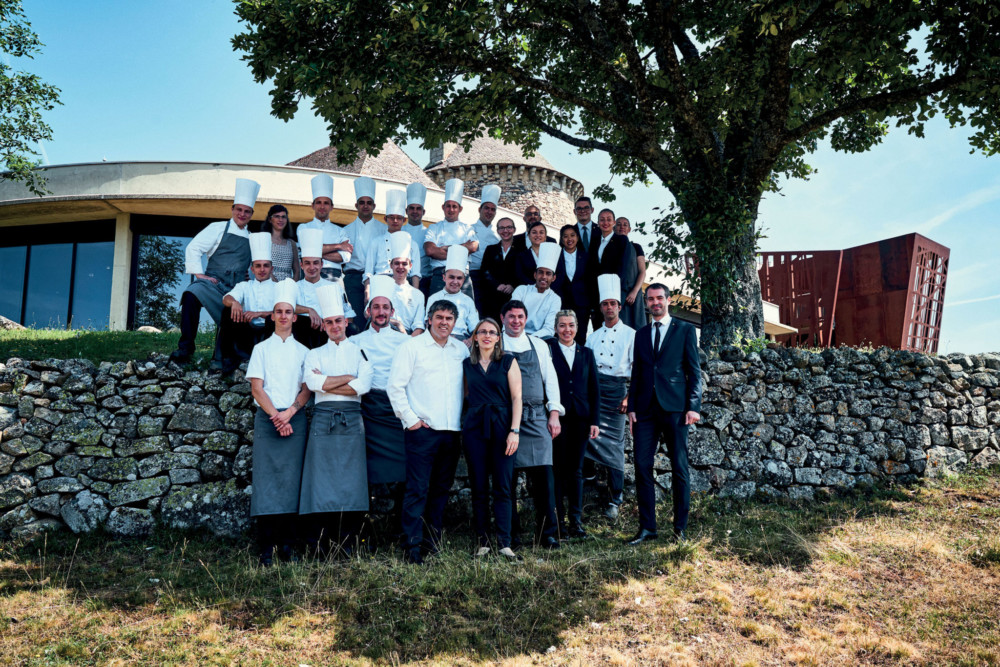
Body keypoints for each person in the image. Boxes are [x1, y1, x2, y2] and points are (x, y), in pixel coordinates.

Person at [387, 300, 471, 565]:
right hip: (423, 431)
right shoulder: (412, 347)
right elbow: (395, 387)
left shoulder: (460, 350)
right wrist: (411, 420)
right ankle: (411, 547)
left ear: (455, 322)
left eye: (449, 318)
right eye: (439, 317)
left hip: (451, 431)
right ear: (429, 319)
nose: (444, 322)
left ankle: (432, 543)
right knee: (417, 489)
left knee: (441, 489)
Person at [300, 282, 373, 555]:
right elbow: (312, 382)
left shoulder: (359, 350)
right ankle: (321, 543)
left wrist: (327, 382)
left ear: (346, 321)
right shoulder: (314, 353)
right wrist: (346, 379)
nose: (334, 326)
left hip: (352, 417)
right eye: (329, 322)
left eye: (338, 320)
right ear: (324, 325)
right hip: (323, 418)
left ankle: (348, 542)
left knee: (351, 479)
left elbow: (364, 386)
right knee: (321, 478)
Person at [627, 284, 702, 545]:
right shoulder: (641, 334)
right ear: (646, 302)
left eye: (660, 298)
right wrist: (633, 407)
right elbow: (637, 373)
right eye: (651, 299)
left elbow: (694, 371)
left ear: (668, 300)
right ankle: (648, 528)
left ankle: (680, 529)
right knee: (642, 465)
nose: (655, 302)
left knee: (679, 467)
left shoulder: (685, 329)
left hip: (675, 409)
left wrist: (693, 405)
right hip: (645, 410)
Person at [246, 278, 311, 565]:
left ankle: (287, 545)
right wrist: (276, 416)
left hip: (294, 421)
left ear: (295, 317)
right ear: (272, 316)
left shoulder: (304, 352)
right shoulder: (261, 349)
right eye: (279, 311)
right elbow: (257, 388)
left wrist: (290, 413)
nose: (283, 316)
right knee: (266, 480)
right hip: (268, 420)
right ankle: (266, 546)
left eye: (288, 311)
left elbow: (307, 388)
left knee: (291, 480)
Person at [170, 178, 259, 365]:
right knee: (191, 294)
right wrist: (199, 274)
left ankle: (224, 356)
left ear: (251, 214)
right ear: (232, 209)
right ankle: (185, 348)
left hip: (235, 290)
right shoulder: (217, 228)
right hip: (214, 283)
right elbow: (193, 248)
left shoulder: (252, 239)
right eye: (239, 209)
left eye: (247, 211)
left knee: (236, 319)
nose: (242, 214)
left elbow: (254, 266)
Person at [353, 275, 411, 544]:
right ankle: (363, 529)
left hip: (394, 411)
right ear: (368, 311)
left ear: (392, 312)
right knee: (363, 471)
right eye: (376, 307)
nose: (380, 312)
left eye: (385, 307)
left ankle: (401, 526)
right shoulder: (356, 341)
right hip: (366, 410)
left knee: (404, 471)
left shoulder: (404, 342)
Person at [501, 300, 563, 549]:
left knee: (544, 479)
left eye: (520, 317)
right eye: (511, 316)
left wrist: (554, 412)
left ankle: (546, 533)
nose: (516, 321)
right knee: (508, 480)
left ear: (526, 319)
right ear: (502, 318)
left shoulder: (538, 345)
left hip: (537, 416)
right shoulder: (497, 344)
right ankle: (511, 535)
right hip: (507, 419)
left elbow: (551, 380)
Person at [462, 317, 523, 560]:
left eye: (492, 332)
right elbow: (467, 395)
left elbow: (517, 397)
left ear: (499, 338)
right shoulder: (467, 364)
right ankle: (483, 542)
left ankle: (504, 542)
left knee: (503, 485)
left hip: (502, 426)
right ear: (475, 337)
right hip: (475, 427)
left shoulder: (508, 361)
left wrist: (514, 430)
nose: (487, 335)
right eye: (482, 332)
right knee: (478, 486)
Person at [585, 275, 636, 520]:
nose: (608, 308)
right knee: (586, 437)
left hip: (617, 392)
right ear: (601, 308)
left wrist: (629, 396)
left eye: (612, 303)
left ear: (619, 306)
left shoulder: (631, 334)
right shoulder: (592, 337)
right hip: (595, 390)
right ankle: (590, 486)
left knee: (615, 446)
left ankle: (615, 499)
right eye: (604, 304)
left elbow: (638, 369)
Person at [547, 310, 600, 539]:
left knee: (576, 471)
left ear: (578, 327)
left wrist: (594, 421)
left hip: (580, 418)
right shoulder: (548, 350)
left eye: (570, 325)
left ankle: (576, 522)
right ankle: (558, 524)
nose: (566, 330)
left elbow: (594, 389)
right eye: (561, 325)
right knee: (557, 470)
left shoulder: (586, 353)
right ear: (556, 328)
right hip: (557, 419)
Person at [213, 232, 276, 375]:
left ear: (271, 269)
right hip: (246, 331)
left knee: (275, 318)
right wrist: (235, 302)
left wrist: (260, 313)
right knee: (227, 311)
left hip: (271, 332)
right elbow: (226, 298)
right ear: (252, 269)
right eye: (258, 266)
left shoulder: (279, 287)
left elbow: (286, 311)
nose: (262, 269)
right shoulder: (244, 286)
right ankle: (229, 359)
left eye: (266, 266)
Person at [293, 228, 357, 349]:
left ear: (321, 265)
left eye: (316, 263)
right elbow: (286, 307)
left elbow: (348, 314)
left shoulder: (334, 287)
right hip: (302, 336)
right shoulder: (295, 287)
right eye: (307, 263)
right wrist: (309, 310)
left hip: (329, 334)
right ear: (301, 265)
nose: (312, 267)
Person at [423, 178, 478, 299]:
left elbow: (473, 246)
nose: (451, 210)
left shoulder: (467, 229)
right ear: (443, 207)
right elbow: (430, 250)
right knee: (436, 309)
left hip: (463, 276)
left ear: (460, 209)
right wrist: (461, 249)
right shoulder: (434, 228)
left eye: (454, 206)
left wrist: (445, 248)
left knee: (465, 311)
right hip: (439, 274)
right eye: (448, 206)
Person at [586, 208, 637, 330]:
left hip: (614, 291)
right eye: (602, 220)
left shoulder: (621, 240)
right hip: (597, 291)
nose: (605, 222)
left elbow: (623, 268)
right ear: (597, 223)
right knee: (598, 326)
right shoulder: (594, 241)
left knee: (614, 326)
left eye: (609, 220)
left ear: (614, 222)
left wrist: (616, 294)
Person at [297, 174, 353, 281]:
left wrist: (314, 253)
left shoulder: (341, 231)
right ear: (312, 205)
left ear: (331, 207)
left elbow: (346, 257)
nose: (322, 207)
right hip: (310, 275)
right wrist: (339, 246)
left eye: (326, 203)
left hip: (334, 276)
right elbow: (306, 250)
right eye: (319, 203)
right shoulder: (303, 227)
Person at [365, 189, 421, 292]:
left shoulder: (412, 244)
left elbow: (415, 273)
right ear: (385, 219)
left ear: (404, 220)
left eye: (399, 218)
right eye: (391, 217)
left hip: (403, 284)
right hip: (379, 283)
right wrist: (367, 292)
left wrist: (415, 293)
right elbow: (368, 271)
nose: (395, 221)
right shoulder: (376, 242)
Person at [342, 176, 379, 331]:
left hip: (377, 280)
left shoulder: (383, 229)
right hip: (352, 279)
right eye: (362, 203)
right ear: (356, 205)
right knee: (356, 323)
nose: (365, 206)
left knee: (377, 322)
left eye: (368, 203)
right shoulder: (345, 230)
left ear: (374, 206)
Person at [426, 245, 479, 340]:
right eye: (451, 277)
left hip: (462, 339)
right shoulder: (434, 298)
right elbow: (428, 325)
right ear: (444, 278)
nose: (455, 282)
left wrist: (470, 341)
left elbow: (475, 327)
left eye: (459, 278)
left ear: (463, 280)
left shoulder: (468, 300)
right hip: (438, 338)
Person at [511, 242, 561, 339]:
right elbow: (511, 316)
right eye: (540, 272)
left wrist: (530, 339)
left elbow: (549, 328)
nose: (543, 277)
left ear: (553, 278)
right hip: (515, 334)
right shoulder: (521, 290)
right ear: (535, 275)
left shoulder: (555, 299)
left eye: (548, 274)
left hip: (540, 339)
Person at [468, 184, 501, 316]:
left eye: (492, 209)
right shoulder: (469, 230)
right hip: (473, 276)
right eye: (486, 208)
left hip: (491, 279)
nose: (489, 212)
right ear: (479, 209)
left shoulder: (497, 236)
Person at [480, 217, 522, 322]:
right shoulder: (490, 249)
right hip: (493, 297)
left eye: (509, 227)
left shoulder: (522, 250)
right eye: (502, 228)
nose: (505, 231)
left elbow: (523, 272)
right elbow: (484, 271)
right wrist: (497, 285)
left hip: (513, 297)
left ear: (514, 230)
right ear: (498, 231)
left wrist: (513, 285)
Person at [554, 224, 590, 345]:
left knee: (580, 336)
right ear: (561, 239)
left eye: (572, 235)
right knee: (560, 336)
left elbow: (591, 282)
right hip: (560, 302)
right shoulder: (555, 256)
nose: (569, 239)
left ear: (578, 237)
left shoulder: (586, 257)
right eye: (565, 236)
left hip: (581, 304)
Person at [386, 231, 426, 335]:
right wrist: (396, 323)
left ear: (410, 266)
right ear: (391, 265)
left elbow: (419, 326)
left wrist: (407, 342)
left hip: (408, 337)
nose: (400, 267)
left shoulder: (418, 295)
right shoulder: (382, 288)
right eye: (397, 263)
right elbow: (370, 315)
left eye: (404, 264)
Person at [615, 216, 648, 330]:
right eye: (618, 224)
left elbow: (642, 271)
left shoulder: (636, 247)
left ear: (629, 229)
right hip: (616, 292)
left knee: (636, 327)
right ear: (614, 227)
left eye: (625, 224)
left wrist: (634, 292)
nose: (622, 227)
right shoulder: (610, 246)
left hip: (633, 293)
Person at [403, 182, 431, 297]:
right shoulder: (399, 231)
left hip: (425, 281)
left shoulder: (429, 233)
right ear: (406, 211)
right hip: (402, 281)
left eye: (418, 209)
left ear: (423, 212)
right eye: (412, 208)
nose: (415, 211)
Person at [261, 204, 300, 281]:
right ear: (270, 219)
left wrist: (292, 285)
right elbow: (263, 267)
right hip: (269, 283)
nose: (280, 220)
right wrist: (277, 285)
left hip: (288, 286)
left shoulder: (292, 243)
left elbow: (297, 270)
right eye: (277, 216)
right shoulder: (265, 240)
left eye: (283, 217)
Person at [514, 221, 552, 286]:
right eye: (534, 232)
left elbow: (560, 274)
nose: (538, 235)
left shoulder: (553, 254)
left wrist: (547, 289)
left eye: (541, 232)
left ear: (545, 236)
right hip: (529, 291)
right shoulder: (521, 256)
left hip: (551, 292)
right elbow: (520, 276)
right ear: (529, 236)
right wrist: (536, 288)